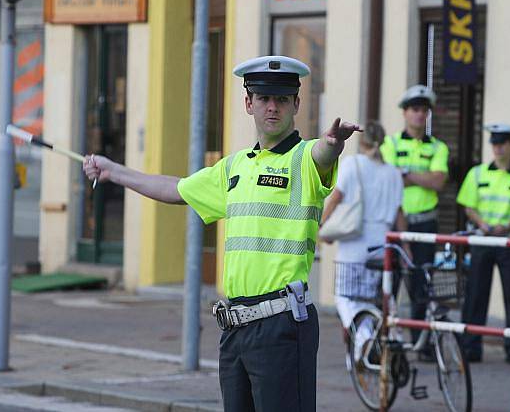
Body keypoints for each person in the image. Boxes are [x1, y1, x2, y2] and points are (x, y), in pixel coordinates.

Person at [83, 55, 360, 411]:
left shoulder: (304, 159)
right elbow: (175, 188)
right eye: (263, 98)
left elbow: (323, 154)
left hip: (282, 325)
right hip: (235, 329)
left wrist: (334, 143)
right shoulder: (233, 167)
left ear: (296, 105)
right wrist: (114, 171)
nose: (272, 107)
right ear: (249, 103)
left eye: (281, 99)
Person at [320, 121, 404, 363]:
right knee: (366, 299)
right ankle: (360, 354)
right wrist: (405, 246)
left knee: (345, 298)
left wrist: (321, 226)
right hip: (383, 243)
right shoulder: (394, 173)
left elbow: (336, 198)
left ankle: (365, 338)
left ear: (362, 142)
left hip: (354, 242)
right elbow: (400, 213)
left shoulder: (352, 164)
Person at [457, 124, 510, 364]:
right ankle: (471, 347)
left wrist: (506, 227)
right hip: (483, 238)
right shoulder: (478, 173)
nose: (498, 148)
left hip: (509, 241)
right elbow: (468, 206)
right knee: (476, 295)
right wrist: (483, 225)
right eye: (494, 143)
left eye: (502, 143)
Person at [380, 85, 449, 346]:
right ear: (405, 113)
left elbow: (439, 182)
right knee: (389, 284)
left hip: (424, 223)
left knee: (422, 284)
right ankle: (385, 341)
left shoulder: (438, 147)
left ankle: (421, 342)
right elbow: (388, 178)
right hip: (395, 224)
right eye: (414, 110)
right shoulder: (391, 143)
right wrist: (422, 177)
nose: (420, 115)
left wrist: (405, 173)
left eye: (424, 110)